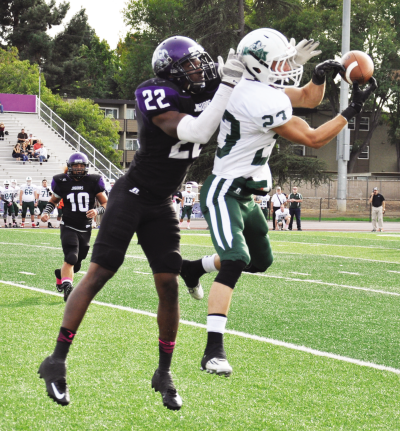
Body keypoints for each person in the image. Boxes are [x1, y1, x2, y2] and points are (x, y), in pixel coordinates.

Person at [37, 35, 244, 411]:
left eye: (201, 63)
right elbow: (197, 131)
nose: (202, 70)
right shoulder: (154, 92)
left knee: (169, 284)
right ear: (171, 69)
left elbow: (261, 99)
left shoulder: (207, 87)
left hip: (161, 203)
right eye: (192, 65)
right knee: (99, 273)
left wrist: (277, 70)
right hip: (131, 196)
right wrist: (228, 85)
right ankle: (56, 361)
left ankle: (163, 372)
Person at [179, 28, 377, 377]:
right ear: (257, 67)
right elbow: (314, 137)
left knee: (259, 262)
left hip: (246, 196)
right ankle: (213, 351)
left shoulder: (257, 87)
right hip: (224, 191)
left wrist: (318, 77)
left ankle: (193, 268)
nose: (287, 65)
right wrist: (351, 110)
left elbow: (306, 97)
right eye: (279, 61)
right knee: (237, 259)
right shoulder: (255, 98)